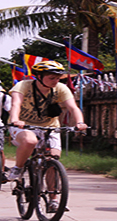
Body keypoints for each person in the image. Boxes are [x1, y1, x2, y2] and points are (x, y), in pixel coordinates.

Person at [6, 61, 87, 209]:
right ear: (38, 76)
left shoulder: (61, 88)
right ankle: (18, 168)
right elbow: (15, 104)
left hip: (50, 127)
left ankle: (53, 200)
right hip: (23, 125)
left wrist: (80, 122)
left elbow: (72, 107)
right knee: (30, 141)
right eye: (52, 78)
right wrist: (16, 120)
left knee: (52, 160)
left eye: (58, 78)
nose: (56, 81)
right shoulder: (23, 86)